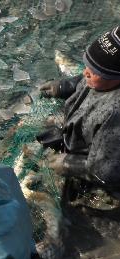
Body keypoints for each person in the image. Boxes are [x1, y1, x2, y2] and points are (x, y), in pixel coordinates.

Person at [38, 26, 120, 204]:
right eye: (87, 65)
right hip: (76, 126)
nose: (85, 73)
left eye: (95, 71)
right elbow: (92, 73)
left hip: (96, 156)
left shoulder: (115, 114)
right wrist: (66, 85)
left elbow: (107, 170)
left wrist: (70, 164)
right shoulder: (104, 78)